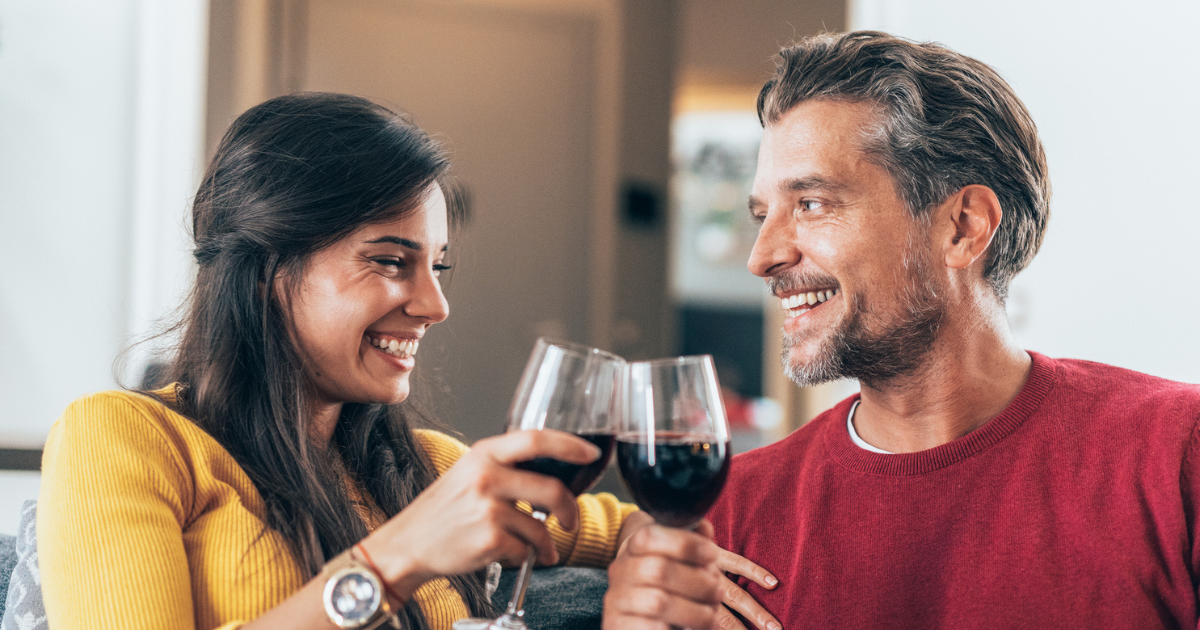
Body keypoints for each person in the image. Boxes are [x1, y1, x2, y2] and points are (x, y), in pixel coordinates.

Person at [36, 93, 767, 630]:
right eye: (391, 262)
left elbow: (625, 524)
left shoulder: (434, 467)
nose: (433, 304)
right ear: (266, 270)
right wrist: (394, 560)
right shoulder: (127, 439)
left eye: (438, 268)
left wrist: (661, 567)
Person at [706, 31, 1200, 629]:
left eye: (811, 203)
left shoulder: (1177, 451)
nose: (762, 256)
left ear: (963, 228)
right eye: (763, 215)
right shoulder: (731, 514)